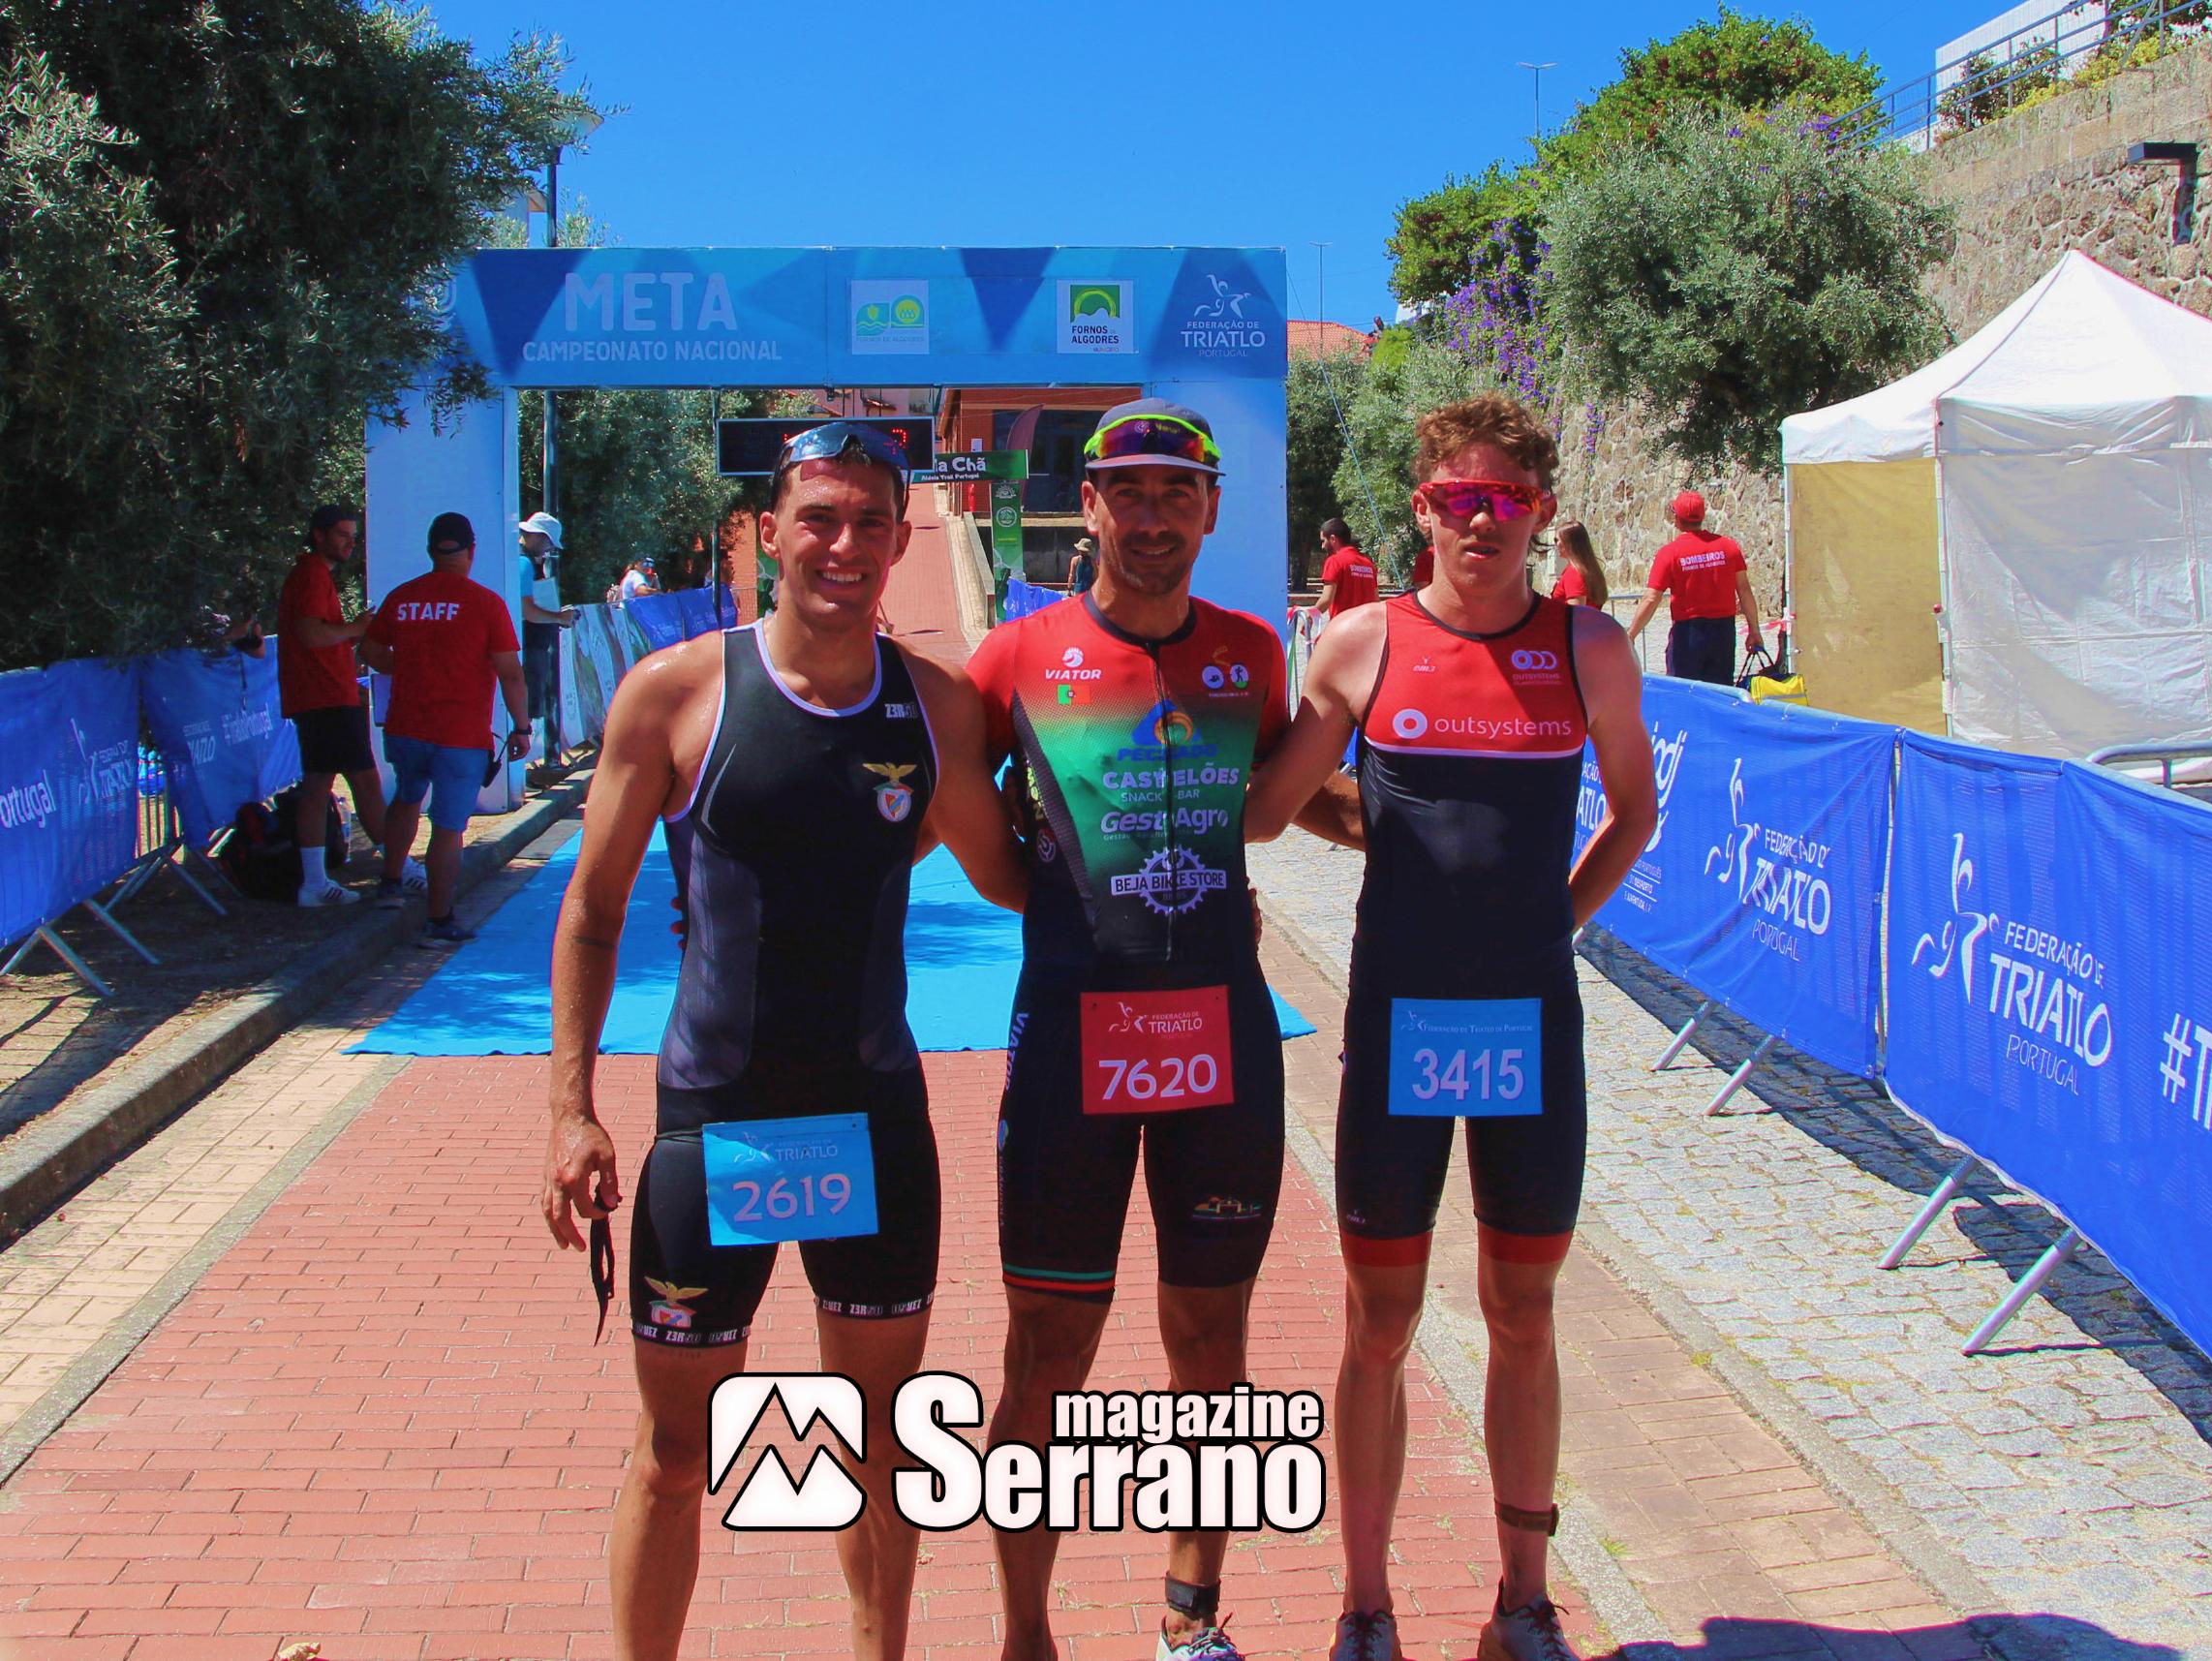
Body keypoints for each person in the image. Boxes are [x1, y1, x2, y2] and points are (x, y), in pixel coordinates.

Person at [539, 422, 1027, 1661]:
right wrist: (571, 1110)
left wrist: (1174, 888)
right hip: (718, 1125)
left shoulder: (934, 707)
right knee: (675, 1451)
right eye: (819, 516)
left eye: (870, 520)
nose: (843, 543)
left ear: (902, 539)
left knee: (880, 1443)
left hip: (874, 1122)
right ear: (770, 531)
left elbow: (1016, 877)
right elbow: (591, 911)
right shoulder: (675, 694)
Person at [1245, 395, 1657, 1661]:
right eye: (1457, 498)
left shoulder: (1587, 646)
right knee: (1379, 1322)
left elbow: (1633, 814)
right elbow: (1266, 806)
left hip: (1530, 1019)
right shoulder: (1363, 641)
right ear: (1420, 508)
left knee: (1522, 1310)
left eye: (1506, 500)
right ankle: (1366, 1604)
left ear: (1540, 513)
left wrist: (1549, 924)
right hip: (1397, 1018)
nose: (1482, 521)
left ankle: (1522, 1600)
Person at [967, 398, 1359, 1661]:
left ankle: (1191, 1620)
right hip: (1069, 1041)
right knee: (1047, 1349)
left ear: (1210, 509)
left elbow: (1284, 793)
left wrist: (1436, 827)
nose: (1150, 515)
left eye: (1175, 493)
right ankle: (1026, 1634)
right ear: (1087, 504)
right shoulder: (1013, 658)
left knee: (1210, 1343)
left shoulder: (1249, 653)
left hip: (1220, 1042)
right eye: (1126, 491)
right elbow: (948, 811)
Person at [358, 513, 530, 942]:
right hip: (460, 734)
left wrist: (405, 666)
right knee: (449, 827)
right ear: (471, 551)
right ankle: (439, 918)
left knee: (406, 799)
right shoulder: (486, 603)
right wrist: (522, 726)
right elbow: (510, 673)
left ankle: (391, 882)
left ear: (431, 550)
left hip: (406, 727)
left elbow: (370, 651)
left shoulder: (403, 597)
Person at [275, 504, 421, 907]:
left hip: (325, 694)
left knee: (320, 786)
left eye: (353, 536)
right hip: (324, 697)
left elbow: (321, 633)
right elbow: (311, 634)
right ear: (319, 534)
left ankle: (317, 880)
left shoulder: (314, 575)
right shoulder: (310, 574)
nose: (349, 543)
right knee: (363, 783)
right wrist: (357, 628)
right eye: (342, 534)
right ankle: (399, 868)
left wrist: (351, 633)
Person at [1624, 491, 1762, 684]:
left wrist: (1631, 634)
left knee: (1684, 692)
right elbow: (1744, 590)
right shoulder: (1729, 548)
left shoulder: (1669, 554)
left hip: (1688, 634)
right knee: (1719, 693)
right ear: (1703, 516)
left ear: (1676, 519)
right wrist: (1754, 630)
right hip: (1723, 633)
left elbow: (1651, 598)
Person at [519, 511, 579, 767]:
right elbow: (526, 610)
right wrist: (559, 617)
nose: (549, 549)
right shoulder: (524, 564)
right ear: (537, 536)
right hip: (529, 646)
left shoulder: (526, 563)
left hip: (532, 645)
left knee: (528, 708)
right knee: (526, 709)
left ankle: (520, 769)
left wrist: (556, 615)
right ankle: (518, 770)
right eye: (548, 543)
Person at [1312, 517, 1379, 624]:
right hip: (1367, 629)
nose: (1322, 546)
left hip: (1343, 628)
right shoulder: (1368, 564)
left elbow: (1326, 599)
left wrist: (1310, 616)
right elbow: (1376, 601)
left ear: (1333, 539)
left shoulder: (1334, 562)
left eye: (1323, 541)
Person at [1550, 520, 1610, 609]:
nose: (1555, 544)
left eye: (1556, 540)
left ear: (1568, 543)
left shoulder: (1574, 572)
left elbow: (1576, 613)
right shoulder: (1587, 569)